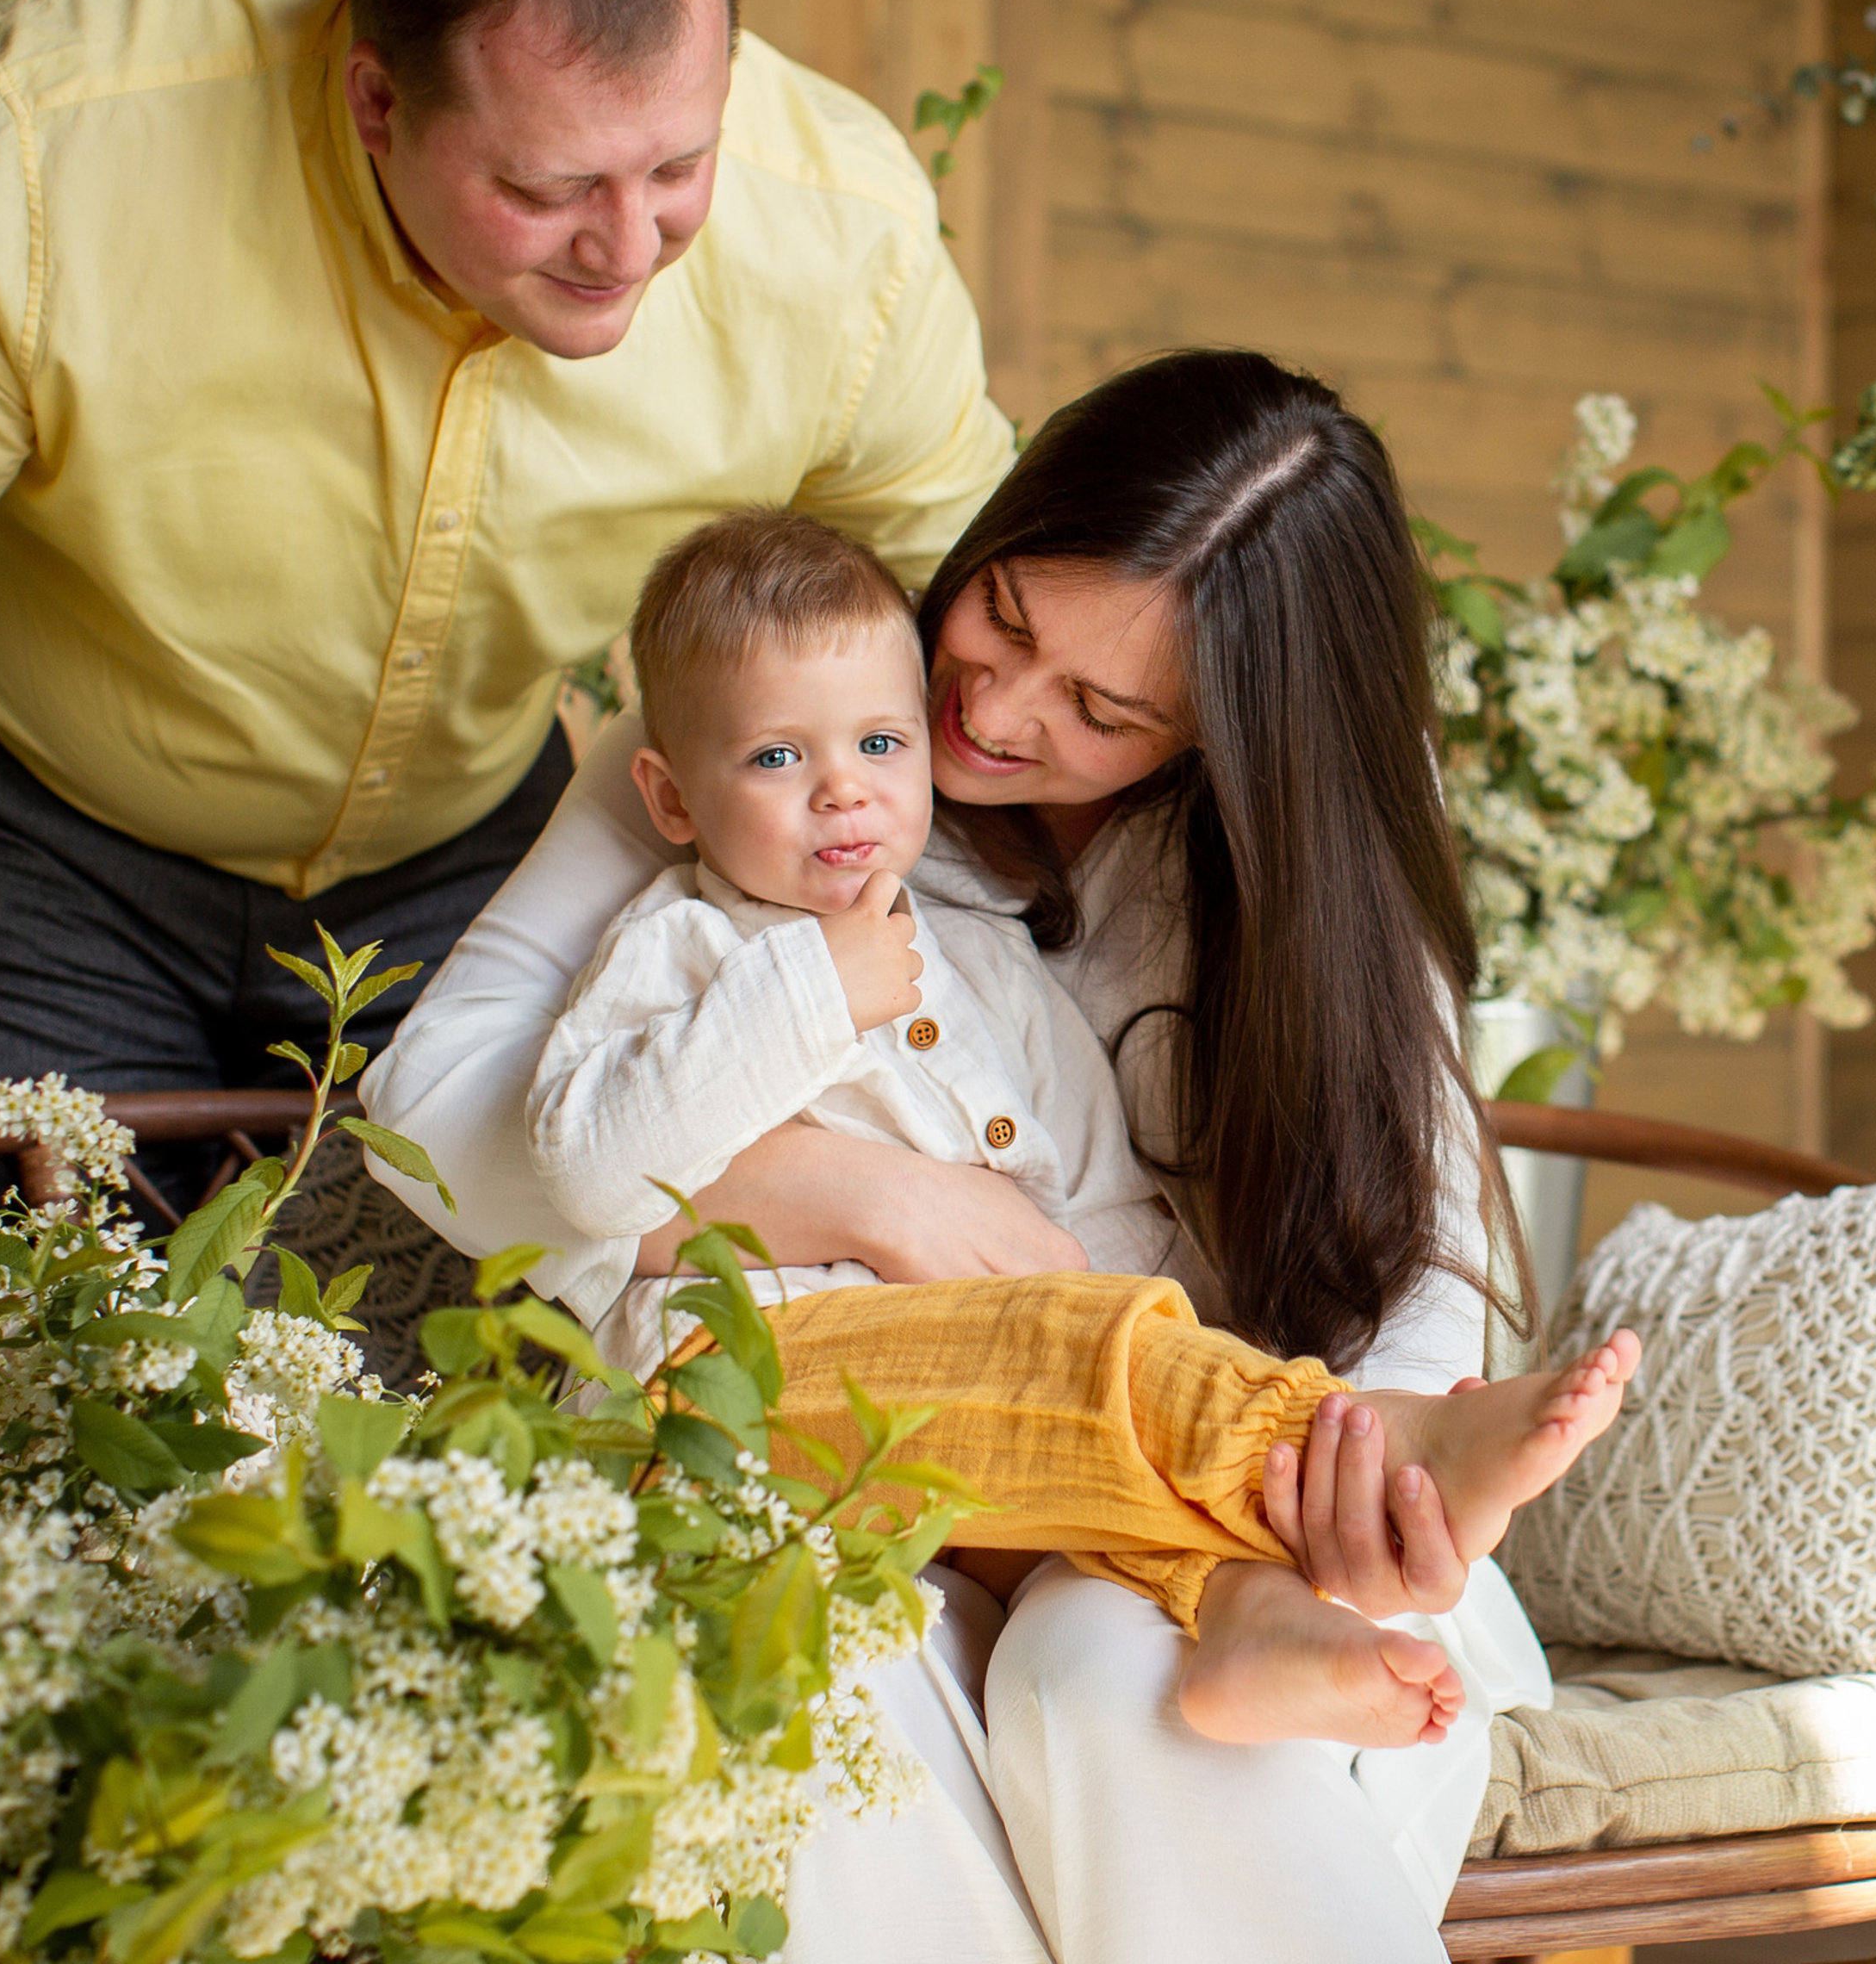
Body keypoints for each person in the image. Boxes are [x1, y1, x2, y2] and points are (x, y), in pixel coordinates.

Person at [363, 349, 1604, 1963]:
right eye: (1005, 618)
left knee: (1111, 1679)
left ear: (1232, 740)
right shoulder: (779, 711)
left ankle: (1268, 1576)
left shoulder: (1312, 851)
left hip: (1210, 1483)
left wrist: (1360, 1494)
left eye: (1103, 710)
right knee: (816, 1662)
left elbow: (1404, 1257)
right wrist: (865, 1192)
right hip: (852, 1439)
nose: (992, 714)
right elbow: (431, 1124)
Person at [0, 0, 1009, 1205]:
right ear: (377, 102)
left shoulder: (844, 233)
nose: (628, 247)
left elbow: (998, 653)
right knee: (57, 1311)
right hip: (36, 835)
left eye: (678, 167)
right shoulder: (45, 142)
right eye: (549, 186)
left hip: (473, 855)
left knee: (488, 1305)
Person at [526, 507, 1634, 1745]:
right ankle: (1373, 1443)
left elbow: (1100, 1198)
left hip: (954, 1429)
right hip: (732, 1386)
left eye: (880, 743)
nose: (843, 787)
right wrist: (811, 991)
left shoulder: (977, 959)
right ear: (673, 799)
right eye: (777, 758)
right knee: (1086, 1373)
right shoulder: (674, 947)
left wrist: (1124, 1312)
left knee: (1094, 1455)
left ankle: (1247, 1618)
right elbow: (586, 1168)